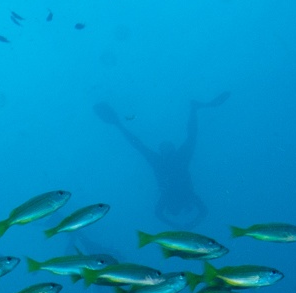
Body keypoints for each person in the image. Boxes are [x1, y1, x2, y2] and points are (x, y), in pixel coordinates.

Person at [94, 94, 227, 227]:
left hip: (169, 162)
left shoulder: (178, 196)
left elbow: (162, 213)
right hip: (175, 161)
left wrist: (182, 226)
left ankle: (194, 108)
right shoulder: (185, 195)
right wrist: (184, 225)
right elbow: (200, 211)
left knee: (190, 137)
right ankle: (194, 108)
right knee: (189, 138)